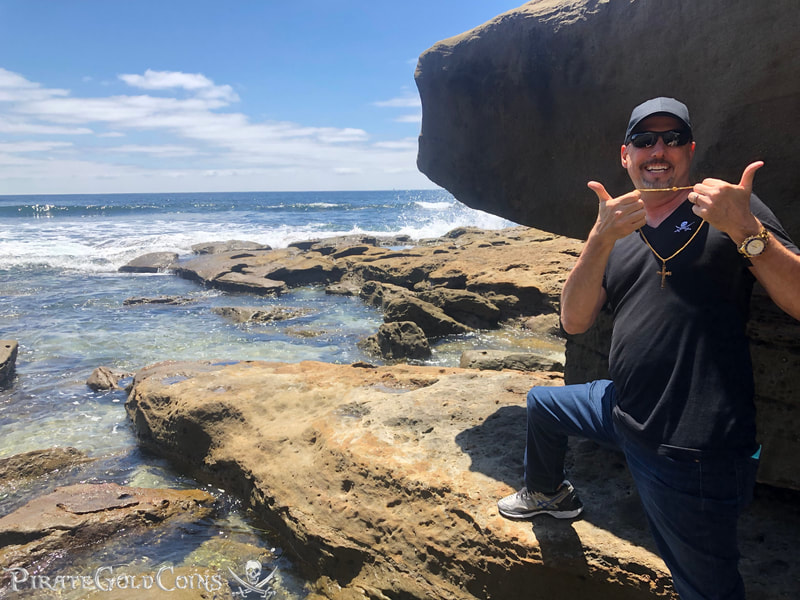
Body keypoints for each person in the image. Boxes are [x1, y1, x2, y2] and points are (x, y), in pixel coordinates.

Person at [497, 97, 800, 599]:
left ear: (690, 150)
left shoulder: (729, 210)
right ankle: (549, 494)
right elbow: (574, 321)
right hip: (620, 409)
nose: (658, 150)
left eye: (673, 138)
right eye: (644, 140)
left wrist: (746, 229)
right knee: (542, 403)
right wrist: (598, 238)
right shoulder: (618, 228)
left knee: (707, 590)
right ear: (625, 155)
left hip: (691, 448)